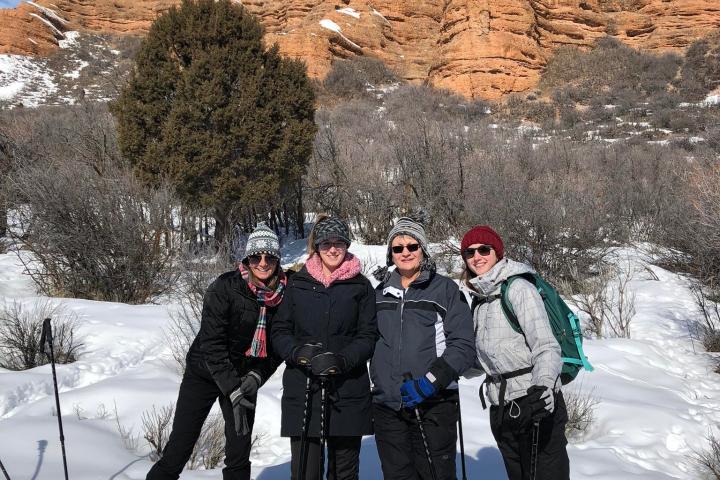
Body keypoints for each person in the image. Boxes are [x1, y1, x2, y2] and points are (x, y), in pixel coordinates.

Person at [146, 223, 288, 480]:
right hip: (204, 373)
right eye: (256, 256)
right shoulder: (224, 287)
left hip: (245, 379)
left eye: (270, 257)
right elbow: (212, 344)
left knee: (238, 454)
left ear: (278, 259)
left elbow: (278, 346)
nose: (263, 263)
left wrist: (255, 378)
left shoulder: (284, 295)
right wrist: (231, 387)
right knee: (179, 447)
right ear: (247, 258)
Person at [271, 215, 377, 480]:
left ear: (347, 245)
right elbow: (280, 330)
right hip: (304, 387)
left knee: (344, 472)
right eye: (326, 243)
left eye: (339, 243)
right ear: (317, 246)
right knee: (306, 470)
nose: (333, 249)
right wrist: (297, 353)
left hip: (347, 390)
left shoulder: (361, 287)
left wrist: (343, 359)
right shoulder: (297, 283)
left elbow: (368, 335)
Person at [459, 225, 569, 480]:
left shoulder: (518, 289)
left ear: (497, 252)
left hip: (535, 403)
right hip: (502, 408)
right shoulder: (480, 299)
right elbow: (486, 359)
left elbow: (547, 347)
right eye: (469, 252)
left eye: (484, 249)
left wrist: (542, 388)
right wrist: (450, 366)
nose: (477, 257)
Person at [371, 217, 475, 480]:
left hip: (433, 404)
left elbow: (463, 346)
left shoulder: (444, 290)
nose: (405, 252)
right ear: (390, 253)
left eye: (412, 246)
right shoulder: (378, 293)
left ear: (423, 249)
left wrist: (430, 382)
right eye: (398, 247)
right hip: (389, 407)